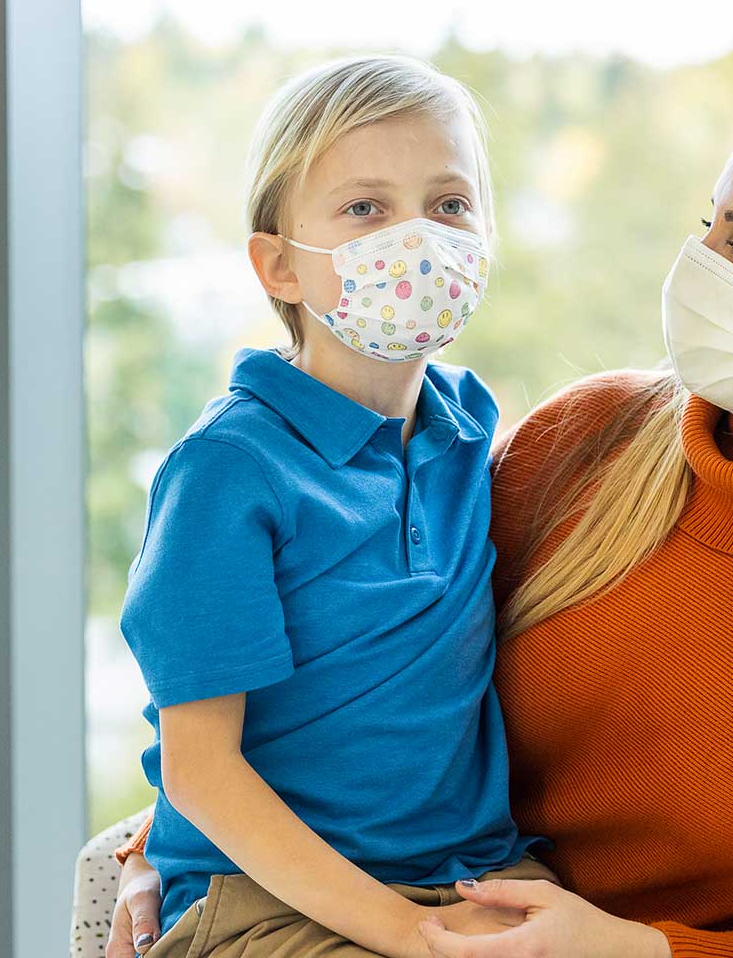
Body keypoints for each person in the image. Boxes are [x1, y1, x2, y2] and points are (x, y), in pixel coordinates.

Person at [105, 86, 733, 958]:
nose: (696, 265)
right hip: (389, 904)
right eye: (709, 228)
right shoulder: (589, 443)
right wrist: (178, 842)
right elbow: (311, 667)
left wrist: (631, 951)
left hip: (487, 906)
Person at [116, 55, 554, 958]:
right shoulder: (227, 473)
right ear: (279, 266)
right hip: (264, 903)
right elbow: (201, 769)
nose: (418, 238)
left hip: (469, 871)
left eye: (450, 205)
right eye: (365, 208)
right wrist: (416, 934)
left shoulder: (470, 425)